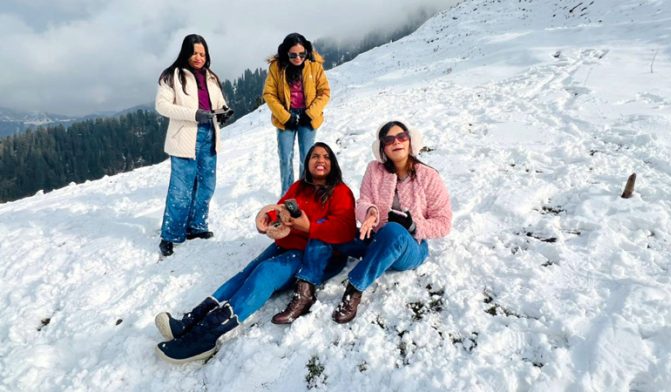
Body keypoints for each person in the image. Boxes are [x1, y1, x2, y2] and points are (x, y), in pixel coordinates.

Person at [154, 142, 356, 363]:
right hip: (287, 243)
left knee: (265, 272)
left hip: (315, 254)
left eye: (326, 157)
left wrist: (309, 227)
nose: (320, 160)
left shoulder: (341, 192)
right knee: (245, 273)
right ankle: (191, 320)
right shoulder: (299, 187)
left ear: (333, 163)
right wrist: (266, 220)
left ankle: (207, 336)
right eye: (315, 156)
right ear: (307, 162)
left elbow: (345, 230)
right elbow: (278, 211)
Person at [273, 121, 452, 325]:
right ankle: (305, 290)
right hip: (375, 236)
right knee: (325, 226)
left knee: (394, 230)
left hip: (412, 246)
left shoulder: (428, 176)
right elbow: (363, 201)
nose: (396, 142)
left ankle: (354, 289)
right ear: (383, 147)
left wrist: (413, 226)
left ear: (410, 141)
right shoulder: (374, 169)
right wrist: (371, 212)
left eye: (402, 137)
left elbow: (444, 222)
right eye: (389, 139)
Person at [155, 34, 233, 257]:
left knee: (207, 185)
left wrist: (224, 111)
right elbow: (162, 106)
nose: (199, 57)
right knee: (181, 189)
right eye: (195, 53)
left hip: (209, 135)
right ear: (186, 53)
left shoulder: (211, 77)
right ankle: (170, 235)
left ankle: (196, 227)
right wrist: (194, 115)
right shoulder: (172, 76)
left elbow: (218, 103)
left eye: (203, 53)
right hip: (185, 138)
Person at [263, 33, 330, 195]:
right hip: (285, 116)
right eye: (293, 55)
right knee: (285, 157)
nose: (298, 58)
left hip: (308, 116)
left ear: (306, 51)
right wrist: (285, 117)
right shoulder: (276, 67)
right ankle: (287, 192)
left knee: (307, 157)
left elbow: (324, 92)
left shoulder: (314, 65)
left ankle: (304, 191)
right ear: (286, 53)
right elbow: (269, 94)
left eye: (302, 54)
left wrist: (310, 113)